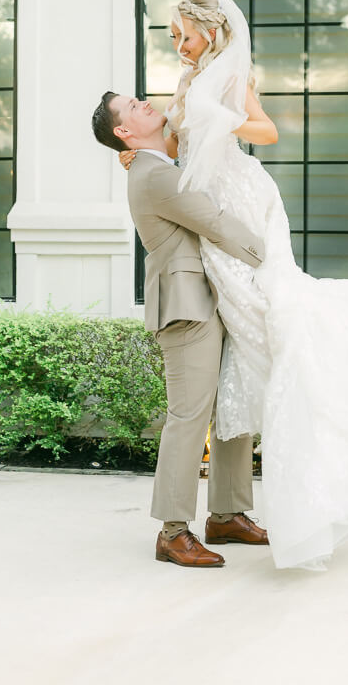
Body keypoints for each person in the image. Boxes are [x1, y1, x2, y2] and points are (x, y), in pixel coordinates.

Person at [122, 0, 348, 571]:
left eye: (181, 34)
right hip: (212, 223)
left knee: (263, 341)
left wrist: (223, 119)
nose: (176, 44)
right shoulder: (187, 83)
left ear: (209, 31)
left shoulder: (229, 76)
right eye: (172, 36)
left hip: (239, 202)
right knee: (240, 366)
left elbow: (265, 133)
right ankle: (189, 523)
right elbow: (171, 144)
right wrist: (147, 147)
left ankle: (229, 510)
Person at [91, 90, 270, 568]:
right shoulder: (152, 175)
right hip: (187, 305)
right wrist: (272, 261)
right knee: (189, 415)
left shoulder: (161, 161)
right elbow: (213, 222)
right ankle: (172, 532)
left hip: (219, 296)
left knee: (229, 402)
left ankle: (227, 514)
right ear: (124, 133)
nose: (141, 103)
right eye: (130, 108)